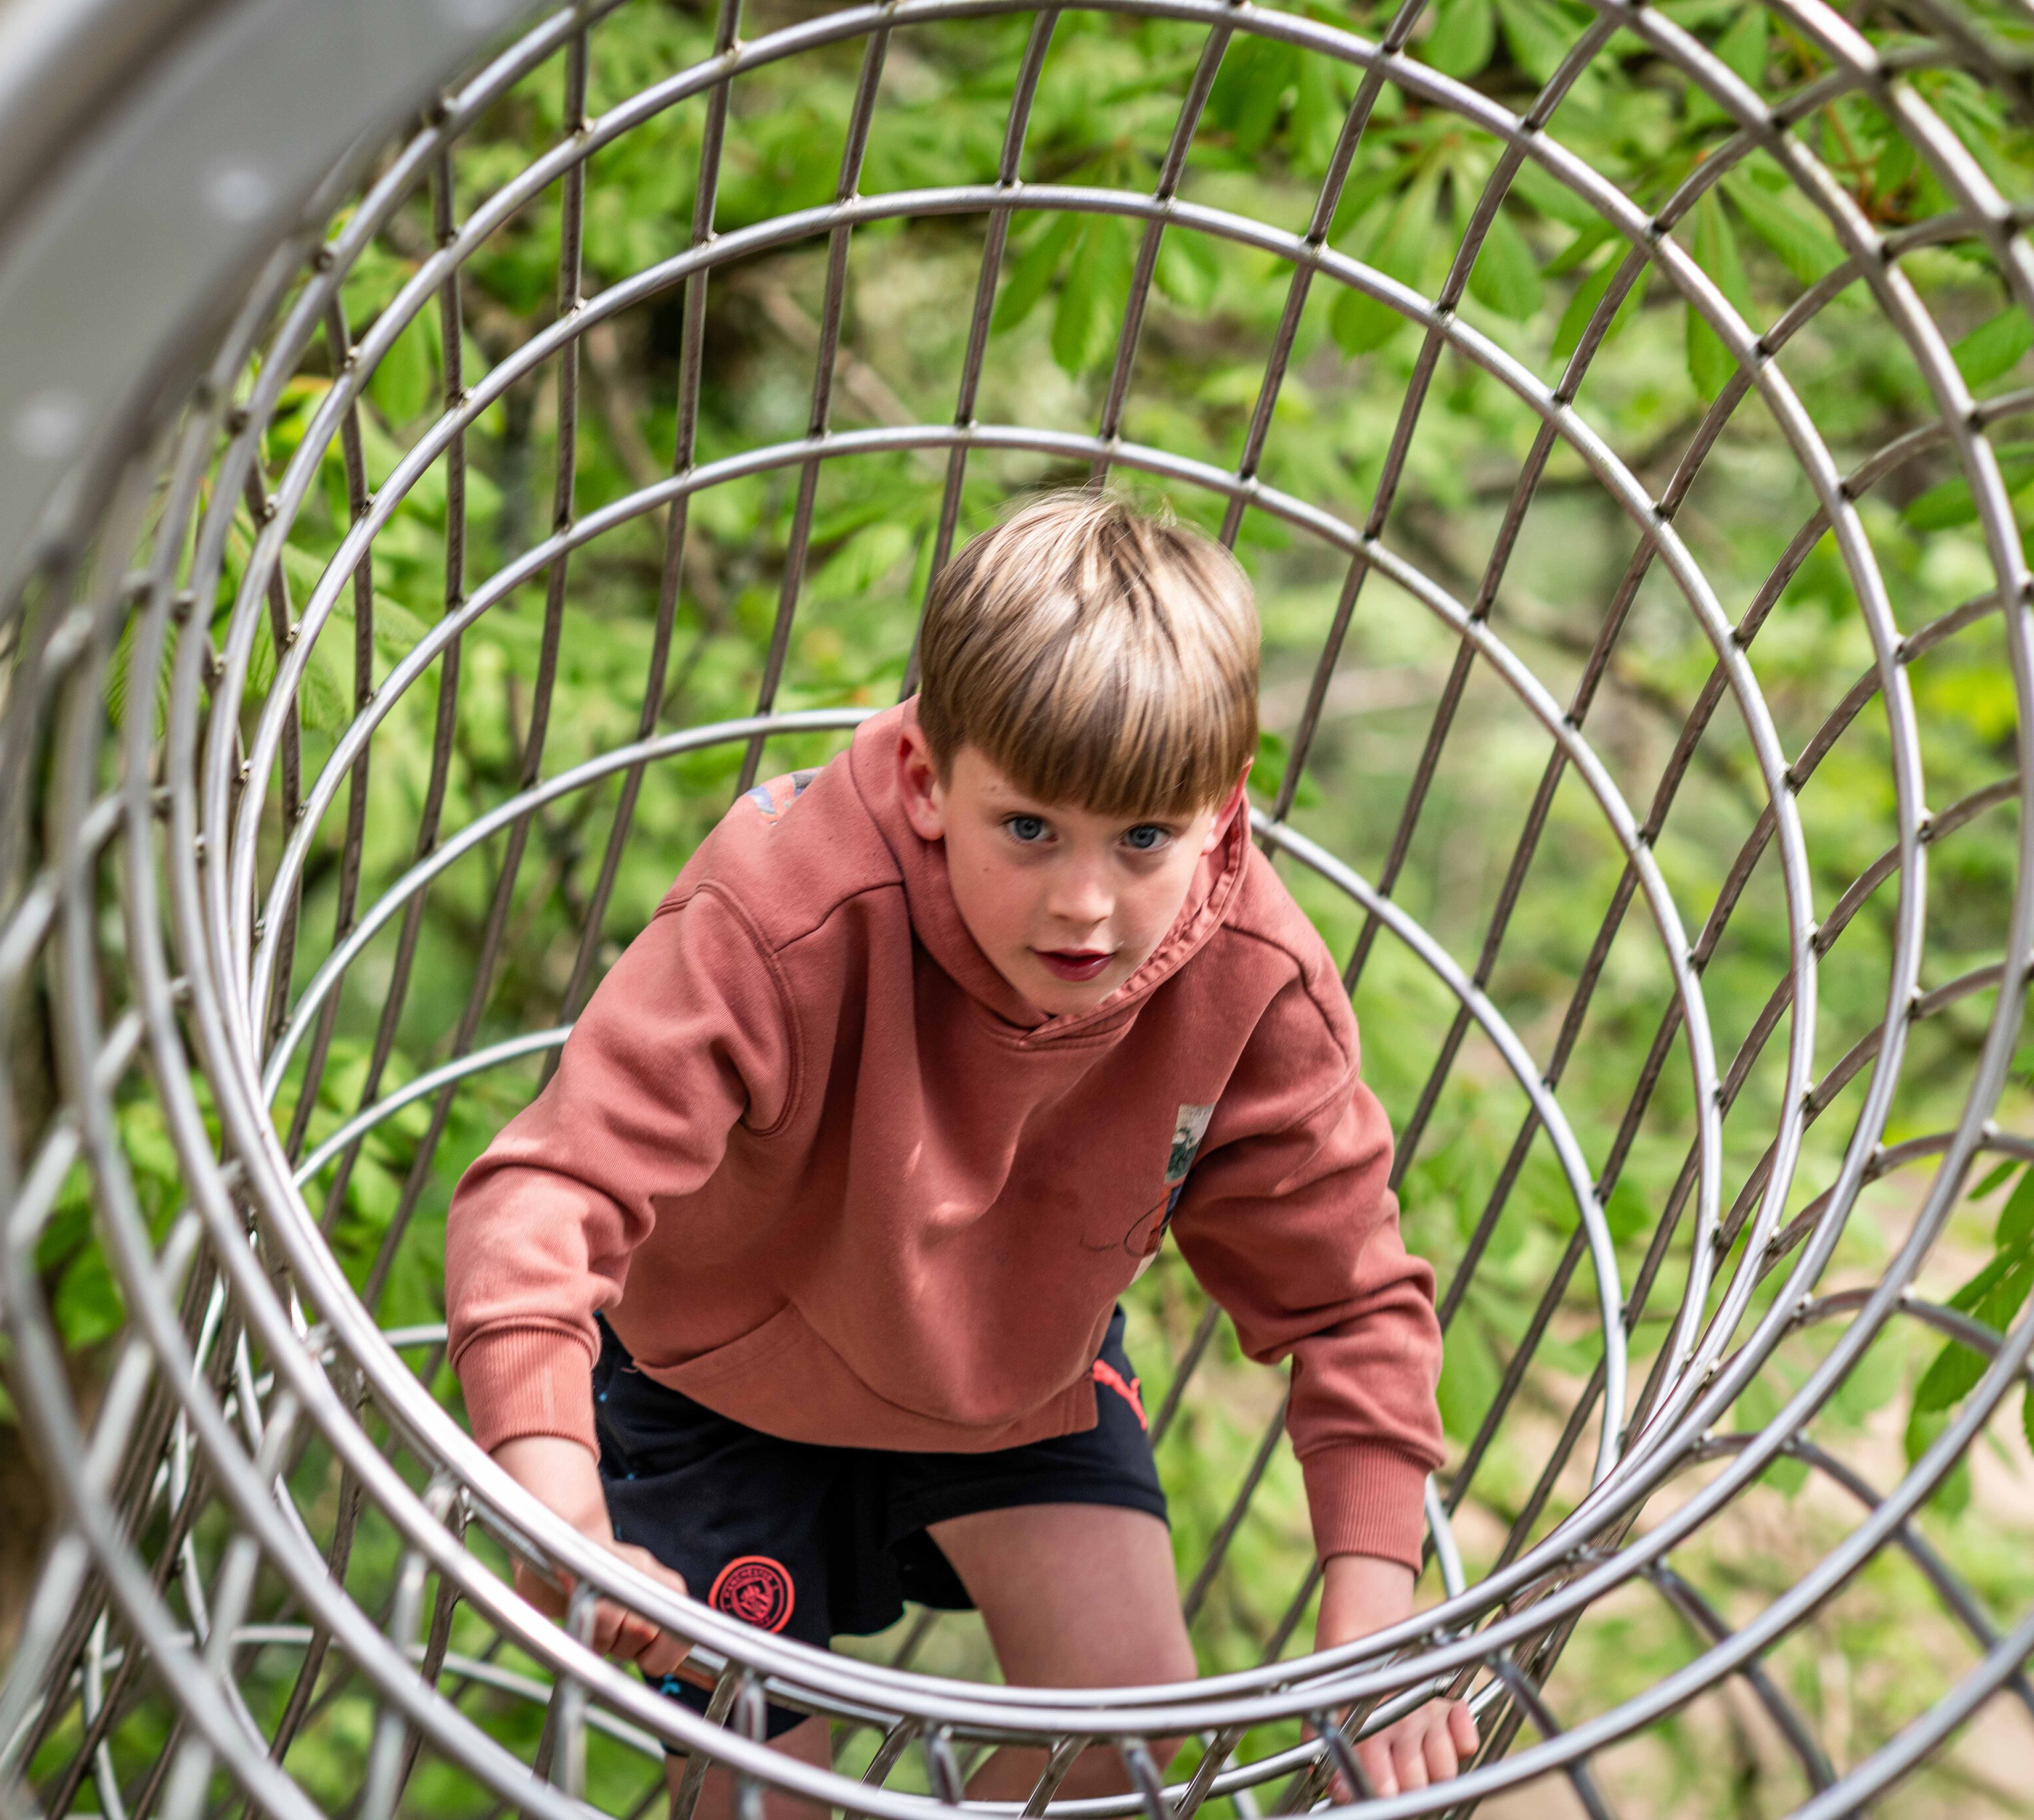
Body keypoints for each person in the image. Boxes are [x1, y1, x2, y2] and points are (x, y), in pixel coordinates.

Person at [444, 489, 1473, 1814]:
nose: (1086, 902)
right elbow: (550, 1188)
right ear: (930, 782)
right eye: (1030, 827)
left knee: (1138, 1742)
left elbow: (1352, 1300)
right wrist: (560, 1511)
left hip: (1012, 1376)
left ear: (1221, 814)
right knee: (762, 1788)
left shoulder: (1251, 981)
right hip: (713, 1382)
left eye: (1144, 837)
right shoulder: (788, 908)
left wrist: (1372, 1637)